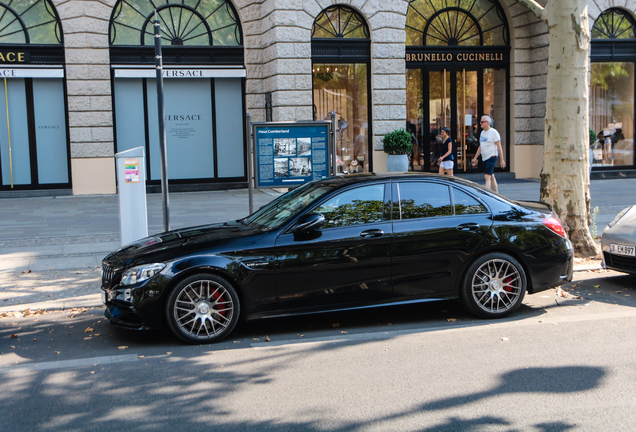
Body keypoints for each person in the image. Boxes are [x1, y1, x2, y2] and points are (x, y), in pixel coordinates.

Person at [471, 115, 505, 192]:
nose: (480, 123)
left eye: (482, 122)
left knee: (487, 177)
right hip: (484, 157)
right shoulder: (482, 133)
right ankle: (496, 193)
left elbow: (499, 146)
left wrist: (501, 160)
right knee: (491, 176)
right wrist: (475, 157)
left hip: (492, 156)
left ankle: (486, 194)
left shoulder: (494, 132)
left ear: (487, 123)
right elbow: (481, 146)